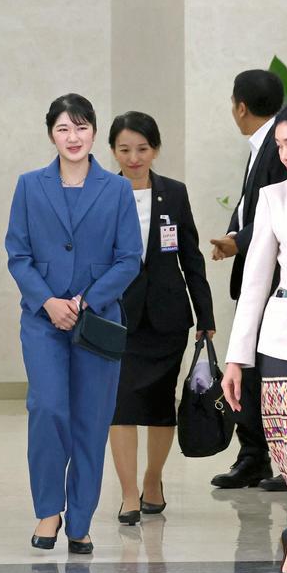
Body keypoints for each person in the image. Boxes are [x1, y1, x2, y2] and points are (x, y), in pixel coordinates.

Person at [5, 93, 142, 554]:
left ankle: (79, 520)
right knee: (47, 410)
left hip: (97, 322)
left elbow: (129, 259)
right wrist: (48, 301)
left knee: (91, 419)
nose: (73, 137)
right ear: (51, 135)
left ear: (95, 132)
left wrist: (86, 301)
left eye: (81, 127)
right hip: (43, 320)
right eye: (64, 128)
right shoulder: (29, 186)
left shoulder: (117, 190)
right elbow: (18, 255)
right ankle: (48, 511)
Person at [222, 100, 287, 573]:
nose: (284, 154)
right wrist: (236, 357)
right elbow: (255, 282)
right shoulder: (274, 199)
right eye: (279, 145)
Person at [107, 111, 215, 524]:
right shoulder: (102, 193)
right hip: (118, 315)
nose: (134, 158)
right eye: (124, 149)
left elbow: (191, 256)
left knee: (159, 405)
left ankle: (152, 480)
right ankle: (128, 494)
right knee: (120, 406)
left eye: (142, 149)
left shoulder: (174, 193)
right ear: (113, 151)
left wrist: (205, 315)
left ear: (155, 150)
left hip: (167, 317)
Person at [209, 69, 287, 491]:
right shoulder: (264, 143)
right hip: (260, 274)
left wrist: (238, 241)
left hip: (278, 281)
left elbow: (279, 211)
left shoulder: (279, 146)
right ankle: (255, 457)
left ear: (240, 107)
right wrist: (234, 237)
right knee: (251, 371)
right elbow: (250, 204)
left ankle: (275, 460)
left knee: (268, 373)